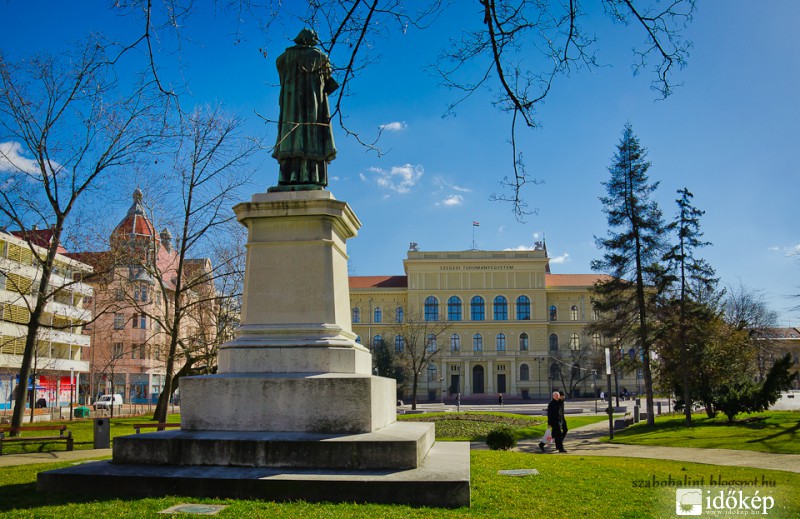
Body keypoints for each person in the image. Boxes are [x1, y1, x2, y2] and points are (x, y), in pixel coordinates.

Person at [271, 28, 339, 190]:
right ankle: (312, 176)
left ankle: (288, 176)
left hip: (290, 108)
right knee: (311, 138)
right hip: (313, 108)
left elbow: (282, 78)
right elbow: (327, 81)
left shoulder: (283, 58)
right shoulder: (321, 58)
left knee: (291, 137)